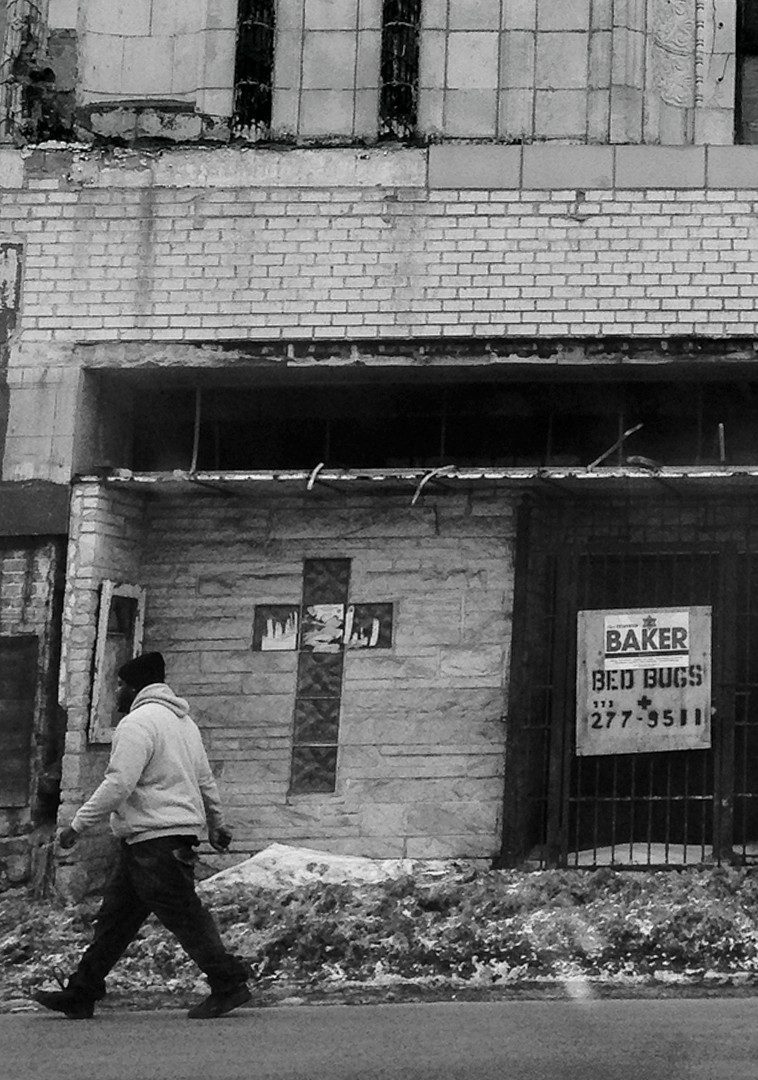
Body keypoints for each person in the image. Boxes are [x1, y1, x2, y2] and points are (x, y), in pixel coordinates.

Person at [33, 652, 251, 1021]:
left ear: (135, 687)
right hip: (158, 841)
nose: (117, 691)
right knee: (115, 923)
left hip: (155, 841)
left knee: (185, 917)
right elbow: (204, 780)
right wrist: (216, 823)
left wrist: (77, 825)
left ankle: (228, 983)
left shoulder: (136, 724)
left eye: (120, 685)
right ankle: (81, 993)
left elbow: (118, 783)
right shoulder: (184, 725)